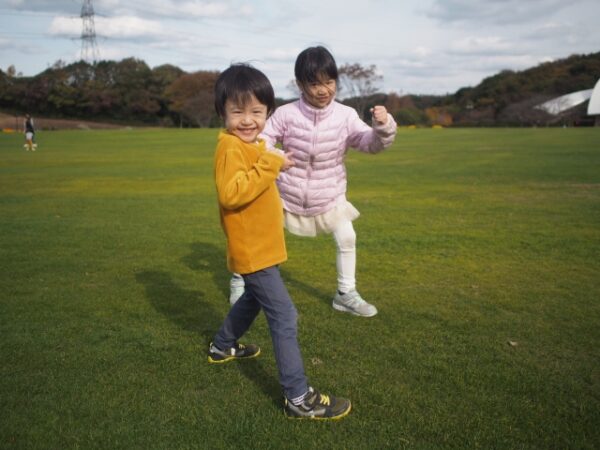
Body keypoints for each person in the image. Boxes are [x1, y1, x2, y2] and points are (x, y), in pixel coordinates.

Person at [208, 63, 351, 420]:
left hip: (263, 246)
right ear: (222, 112)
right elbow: (231, 193)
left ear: (268, 113)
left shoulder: (249, 145)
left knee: (254, 299)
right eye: (237, 111)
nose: (247, 120)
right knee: (285, 315)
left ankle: (221, 346)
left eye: (257, 112)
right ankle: (298, 398)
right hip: (252, 249)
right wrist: (270, 166)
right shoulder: (229, 148)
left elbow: (259, 167)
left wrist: (276, 161)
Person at [229, 46, 397, 317]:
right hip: (284, 192)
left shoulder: (346, 115)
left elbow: (371, 145)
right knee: (257, 237)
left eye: (329, 82)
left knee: (347, 236)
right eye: (315, 83)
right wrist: (277, 157)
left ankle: (345, 294)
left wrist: (383, 126)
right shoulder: (285, 113)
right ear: (300, 84)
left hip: (329, 192)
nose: (323, 90)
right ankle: (241, 280)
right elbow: (262, 140)